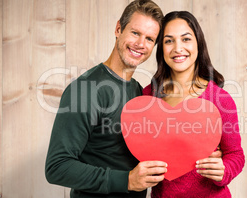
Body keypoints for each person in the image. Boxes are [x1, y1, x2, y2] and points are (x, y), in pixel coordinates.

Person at [45, 1, 168, 197]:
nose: (140, 44)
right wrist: (126, 180)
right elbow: (57, 167)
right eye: (135, 33)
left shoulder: (139, 91)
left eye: (150, 39)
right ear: (118, 28)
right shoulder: (85, 90)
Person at [142, 11, 245, 197]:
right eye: (168, 41)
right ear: (161, 48)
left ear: (198, 44)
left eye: (186, 39)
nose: (177, 48)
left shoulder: (219, 99)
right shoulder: (148, 97)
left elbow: (235, 155)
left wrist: (224, 170)